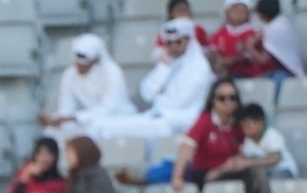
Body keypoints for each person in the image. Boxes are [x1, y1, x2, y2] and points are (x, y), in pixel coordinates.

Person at [86, 20, 216, 143]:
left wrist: (160, 96)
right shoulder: (169, 62)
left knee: (143, 128)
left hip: (183, 119)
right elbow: (146, 93)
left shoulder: (199, 66)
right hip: (160, 116)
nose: (173, 47)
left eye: (177, 42)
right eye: (168, 43)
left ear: (188, 40)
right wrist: (164, 68)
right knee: (100, 125)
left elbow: (179, 102)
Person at [39, 34, 137, 139]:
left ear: (96, 59)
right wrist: (56, 119)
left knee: (99, 128)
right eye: (76, 60)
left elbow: (110, 108)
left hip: (118, 118)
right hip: (87, 120)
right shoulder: (70, 75)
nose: (79, 66)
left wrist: (76, 118)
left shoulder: (113, 72)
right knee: (51, 132)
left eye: (83, 61)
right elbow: (66, 109)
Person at [172, 78, 246, 189]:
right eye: (222, 98)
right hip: (204, 173)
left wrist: (227, 167)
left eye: (232, 98)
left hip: (229, 170)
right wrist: (177, 178)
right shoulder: (205, 120)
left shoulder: (240, 121)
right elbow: (186, 146)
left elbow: (245, 150)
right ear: (213, 101)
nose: (227, 102)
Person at [208, 0, 267, 79]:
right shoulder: (221, 32)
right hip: (223, 73)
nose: (238, 14)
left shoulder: (252, 33)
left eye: (242, 11)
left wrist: (227, 61)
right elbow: (213, 49)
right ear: (227, 12)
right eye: (235, 10)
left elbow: (247, 57)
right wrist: (218, 59)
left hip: (245, 73)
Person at [238, 103, 298, 178]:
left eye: (247, 125)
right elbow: (244, 156)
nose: (245, 130)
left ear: (260, 122)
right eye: (243, 126)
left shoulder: (272, 135)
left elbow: (275, 159)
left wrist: (249, 162)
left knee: (271, 182)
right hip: (265, 172)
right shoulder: (248, 140)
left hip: (283, 170)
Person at [252, 0, 304, 80]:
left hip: (284, 73)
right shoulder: (283, 24)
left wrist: (250, 48)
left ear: (262, 13)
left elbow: (263, 59)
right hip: (286, 71)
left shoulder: (274, 28)